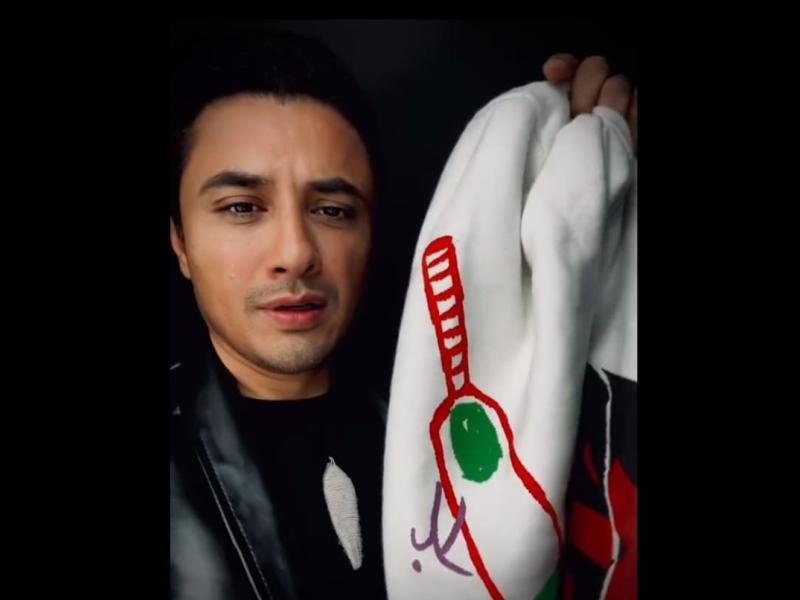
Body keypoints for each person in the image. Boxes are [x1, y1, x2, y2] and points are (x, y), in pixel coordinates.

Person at [169, 25, 636, 600]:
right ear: (180, 242)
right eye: (242, 207)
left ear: (371, 232)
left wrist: (601, 172)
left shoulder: (477, 410)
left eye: (333, 210)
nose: (294, 252)